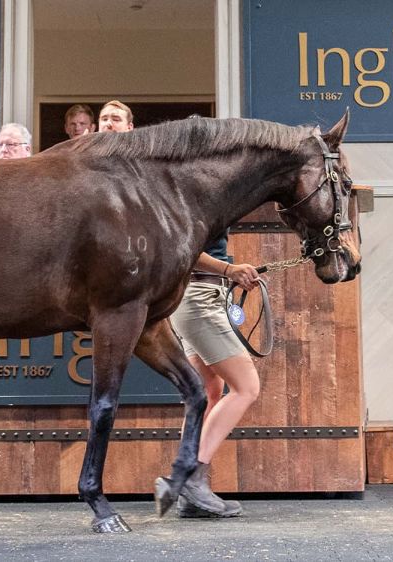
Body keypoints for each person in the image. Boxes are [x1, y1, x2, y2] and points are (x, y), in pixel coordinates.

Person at [97, 102, 261, 516]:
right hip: (199, 297)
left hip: (198, 296)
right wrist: (229, 269)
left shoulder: (186, 187)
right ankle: (190, 477)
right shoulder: (189, 191)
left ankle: (189, 484)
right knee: (247, 388)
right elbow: (183, 250)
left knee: (210, 390)